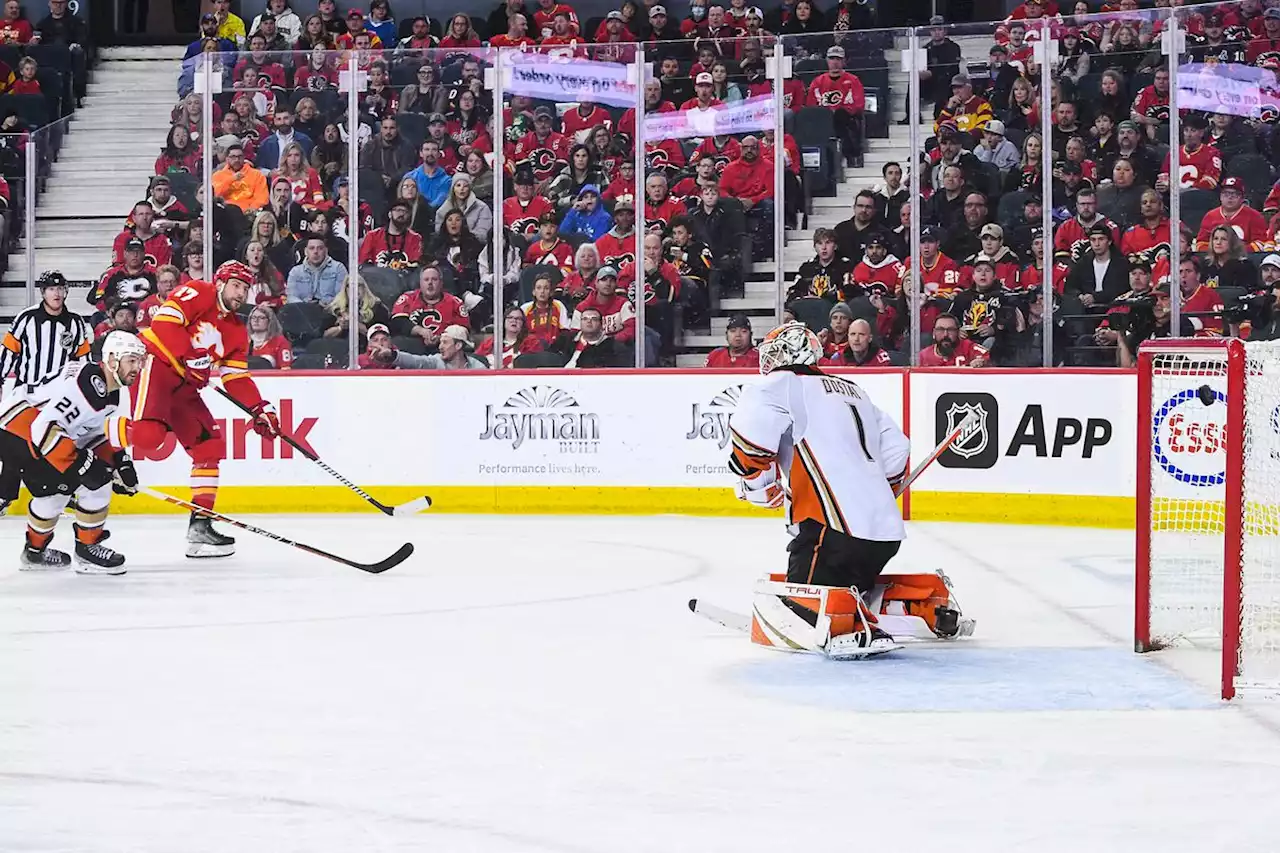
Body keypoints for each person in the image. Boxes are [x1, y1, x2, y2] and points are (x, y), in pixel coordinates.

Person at [728, 321, 965, 659]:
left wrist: (757, 485)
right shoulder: (854, 390)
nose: (769, 363)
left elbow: (749, 440)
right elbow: (898, 451)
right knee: (848, 584)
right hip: (884, 533)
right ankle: (921, 608)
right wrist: (876, 493)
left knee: (802, 606)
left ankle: (851, 623)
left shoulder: (780, 385)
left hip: (830, 529)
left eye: (777, 353)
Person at [133, 261, 282, 558]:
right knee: (149, 437)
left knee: (210, 448)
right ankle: (93, 449)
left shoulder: (238, 333)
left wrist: (260, 409)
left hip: (184, 388)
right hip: (156, 366)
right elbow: (163, 323)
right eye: (236, 285)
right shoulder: (199, 292)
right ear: (220, 283)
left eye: (245, 288)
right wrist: (191, 357)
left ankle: (200, 524)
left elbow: (236, 378)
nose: (240, 293)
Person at [0, 332, 143, 573]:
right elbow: (42, 428)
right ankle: (87, 550)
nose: (137, 367)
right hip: (19, 430)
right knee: (89, 483)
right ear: (111, 360)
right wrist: (81, 465)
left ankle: (34, 554)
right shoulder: (87, 384)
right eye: (131, 360)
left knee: (55, 492)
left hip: (20, 429)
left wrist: (119, 462)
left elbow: (90, 433)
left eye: (140, 361)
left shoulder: (109, 389)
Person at [369, 324, 488, 369]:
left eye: (445, 342)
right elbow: (415, 361)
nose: (440, 346)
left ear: (458, 345)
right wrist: (392, 355)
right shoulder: (436, 361)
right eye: (440, 342)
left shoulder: (478, 368)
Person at [477, 307, 544, 368]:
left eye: (518, 319)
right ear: (504, 321)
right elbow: (475, 360)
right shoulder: (489, 343)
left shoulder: (531, 342)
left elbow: (533, 363)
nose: (514, 320)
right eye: (510, 317)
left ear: (523, 323)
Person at [918, 313, 988, 367]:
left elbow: (986, 356)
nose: (945, 334)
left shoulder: (968, 347)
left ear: (958, 332)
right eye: (941, 329)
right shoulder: (923, 356)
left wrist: (981, 362)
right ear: (934, 333)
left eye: (950, 330)